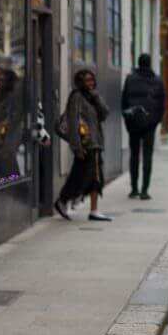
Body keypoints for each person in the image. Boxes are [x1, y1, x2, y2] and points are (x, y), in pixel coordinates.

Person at [55, 69, 110, 222]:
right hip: (85, 145)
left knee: (95, 178)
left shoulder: (93, 97)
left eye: (92, 79)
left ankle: (94, 210)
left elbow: (105, 114)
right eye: (87, 80)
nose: (90, 83)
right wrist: (77, 147)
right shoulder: (76, 97)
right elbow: (73, 123)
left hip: (96, 144)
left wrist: (96, 96)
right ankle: (63, 200)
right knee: (79, 177)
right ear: (80, 82)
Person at [121, 53, 165, 199]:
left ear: (139, 63)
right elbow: (162, 104)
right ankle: (145, 190)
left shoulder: (130, 79)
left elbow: (124, 102)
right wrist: (155, 121)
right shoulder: (157, 81)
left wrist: (127, 121)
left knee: (134, 155)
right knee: (147, 156)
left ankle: (134, 188)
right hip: (149, 124)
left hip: (133, 122)